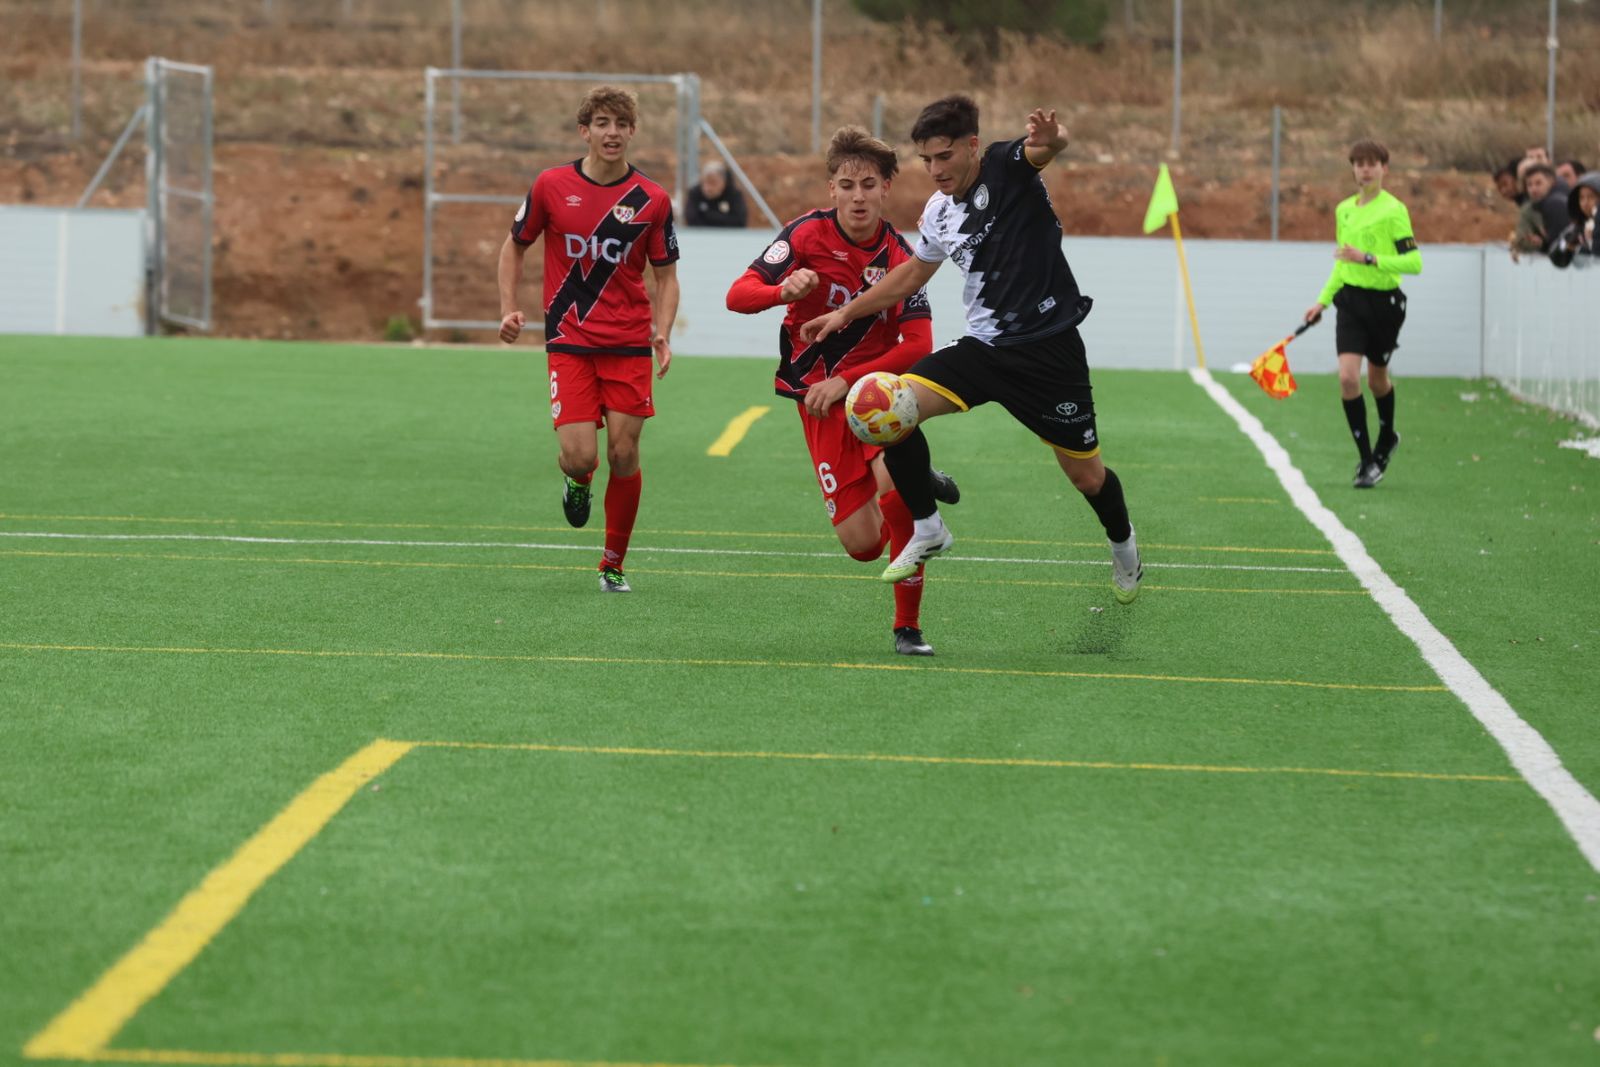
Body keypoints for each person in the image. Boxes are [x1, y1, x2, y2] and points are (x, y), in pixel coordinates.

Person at [801, 95, 1143, 607]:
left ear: (972, 147)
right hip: (984, 351)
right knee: (885, 403)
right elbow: (912, 275)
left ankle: (1125, 548)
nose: (935, 169)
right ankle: (928, 526)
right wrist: (846, 312)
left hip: (1049, 352)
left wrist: (1055, 140)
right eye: (926, 160)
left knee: (1087, 476)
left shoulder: (1007, 167)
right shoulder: (938, 213)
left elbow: (1044, 150)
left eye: (944, 156)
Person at [726, 126, 957, 656]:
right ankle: (918, 473)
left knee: (899, 500)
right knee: (862, 546)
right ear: (831, 189)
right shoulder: (804, 237)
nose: (858, 196)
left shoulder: (903, 257)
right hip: (817, 406)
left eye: (869, 185)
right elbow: (738, 296)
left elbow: (919, 344)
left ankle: (908, 627)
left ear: (887, 189)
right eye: (847, 185)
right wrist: (782, 289)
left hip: (875, 399)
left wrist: (848, 381)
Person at [497, 85, 680, 593]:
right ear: (585, 131)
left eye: (621, 124)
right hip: (570, 341)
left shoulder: (652, 199)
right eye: (602, 123)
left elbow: (666, 276)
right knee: (582, 457)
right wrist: (508, 308)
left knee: (624, 454)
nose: (613, 132)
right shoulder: (551, 185)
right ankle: (576, 482)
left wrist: (662, 333)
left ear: (633, 132)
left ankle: (613, 563)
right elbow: (514, 248)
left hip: (626, 345)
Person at [1302, 140, 1422, 490]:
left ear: (1385, 168)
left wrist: (1369, 258)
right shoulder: (1344, 210)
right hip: (1350, 303)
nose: (1365, 169)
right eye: (1359, 163)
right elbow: (1342, 262)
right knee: (1348, 379)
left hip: (1385, 305)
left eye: (1372, 163)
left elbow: (1414, 263)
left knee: (1376, 381)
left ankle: (1388, 436)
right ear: (1352, 168)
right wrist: (1321, 302)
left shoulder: (1394, 210)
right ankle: (1367, 459)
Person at [1551, 172, 1600, 269]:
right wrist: (1568, 244)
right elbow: (1555, 254)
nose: (1585, 203)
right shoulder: (1578, 227)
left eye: (1591, 197)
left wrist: (1591, 240)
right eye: (1581, 198)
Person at [686, 161, 748, 228]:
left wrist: (708, 215)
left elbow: (739, 222)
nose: (707, 188)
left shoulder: (734, 194)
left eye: (713, 183)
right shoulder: (695, 193)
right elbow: (691, 220)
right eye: (704, 182)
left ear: (724, 181)